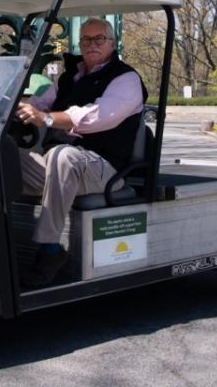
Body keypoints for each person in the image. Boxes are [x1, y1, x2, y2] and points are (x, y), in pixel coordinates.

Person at [14, 16, 147, 287]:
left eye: (99, 39)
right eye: (86, 39)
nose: (92, 44)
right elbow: (41, 102)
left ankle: (50, 251)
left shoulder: (126, 79)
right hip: (61, 166)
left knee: (63, 156)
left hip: (106, 168)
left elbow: (95, 117)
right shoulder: (70, 77)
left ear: (112, 43)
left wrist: (47, 119)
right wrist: (6, 106)